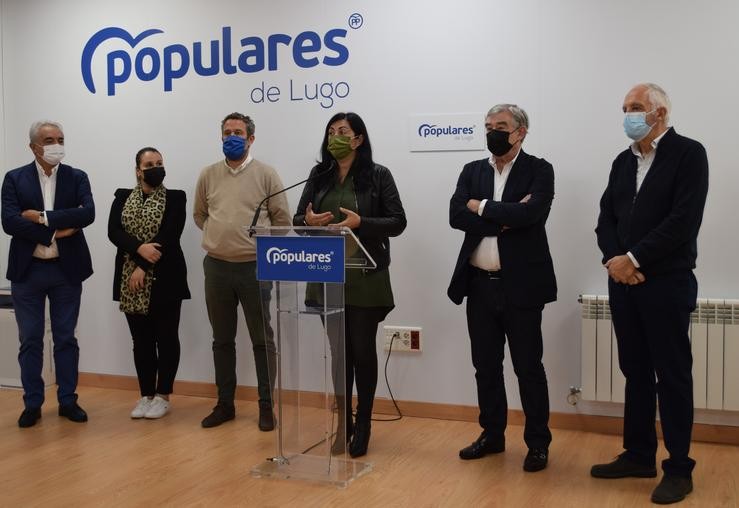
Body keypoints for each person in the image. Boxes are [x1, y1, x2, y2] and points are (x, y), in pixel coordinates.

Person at [593, 83, 708, 505]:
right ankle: (639, 454)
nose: (629, 114)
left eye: (636, 107)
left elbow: (683, 220)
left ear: (659, 113)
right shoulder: (623, 162)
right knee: (635, 370)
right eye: (624, 107)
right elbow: (606, 218)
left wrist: (635, 259)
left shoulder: (689, 154)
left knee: (672, 375)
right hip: (623, 283)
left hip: (667, 282)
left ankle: (678, 467)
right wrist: (614, 260)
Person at [448, 104, 556, 472]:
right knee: (485, 367)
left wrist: (480, 207)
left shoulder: (540, 170)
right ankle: (492, 435)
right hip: (479, 285)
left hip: (521, 286)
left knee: (528, 367)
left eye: (501, 126)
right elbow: (455, 215)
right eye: (488, 126)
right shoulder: (472, 170)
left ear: (521, 132)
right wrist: (499, 215)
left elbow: (530, 215)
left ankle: (538, 443)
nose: (492, 131)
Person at [293, 112, 406, 458]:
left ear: (358, 139)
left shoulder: (377, 175)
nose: (335, 137)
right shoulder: (319, 175)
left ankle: (365, 424)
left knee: (361, 350)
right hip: (326, 274)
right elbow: (299, 220)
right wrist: (308, 222)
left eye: (342, 131)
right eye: (330, 131)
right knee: (340, 354)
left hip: (364, 277)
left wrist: (362, 223)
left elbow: (398, 221)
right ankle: (344, 424)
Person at [194, 112, 291, 429]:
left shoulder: (266, 174)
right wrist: (220, 238)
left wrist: (259, 246)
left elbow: (282, 220)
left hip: (255, 269)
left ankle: (266, 406)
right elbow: (200, 215)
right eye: (226, 132)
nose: (231, 137)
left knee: (262, 340)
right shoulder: (208, 174)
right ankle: (225, 404)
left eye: (237, 132)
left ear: (250, 139)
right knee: (221, 339)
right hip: (217, 268)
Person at [1, 120, 95, 427]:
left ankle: (68, 400)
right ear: (33, 147)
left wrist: (41, 218)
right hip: (28, 272)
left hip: (66, 271)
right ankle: (33, 403)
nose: (57, 145)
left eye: (60, 139)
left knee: (66, 338)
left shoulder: (77, 177)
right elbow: (11, 222)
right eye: (49, 140)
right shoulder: (14, 179)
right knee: (30, 339)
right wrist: (54, 233)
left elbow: (87, 214)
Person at [108, 147, 190, 419]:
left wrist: (143, 265)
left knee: (166, 338)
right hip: (129, 281)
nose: (156, 168)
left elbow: (170, 234)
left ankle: (163, 395)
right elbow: (114, 231)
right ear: (138, 170)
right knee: (140, 341)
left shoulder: (176, 198)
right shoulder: (122, 197)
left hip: (166, 278)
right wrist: (139, 250)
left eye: (160, 163)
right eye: (149, 164)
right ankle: (145, 395)